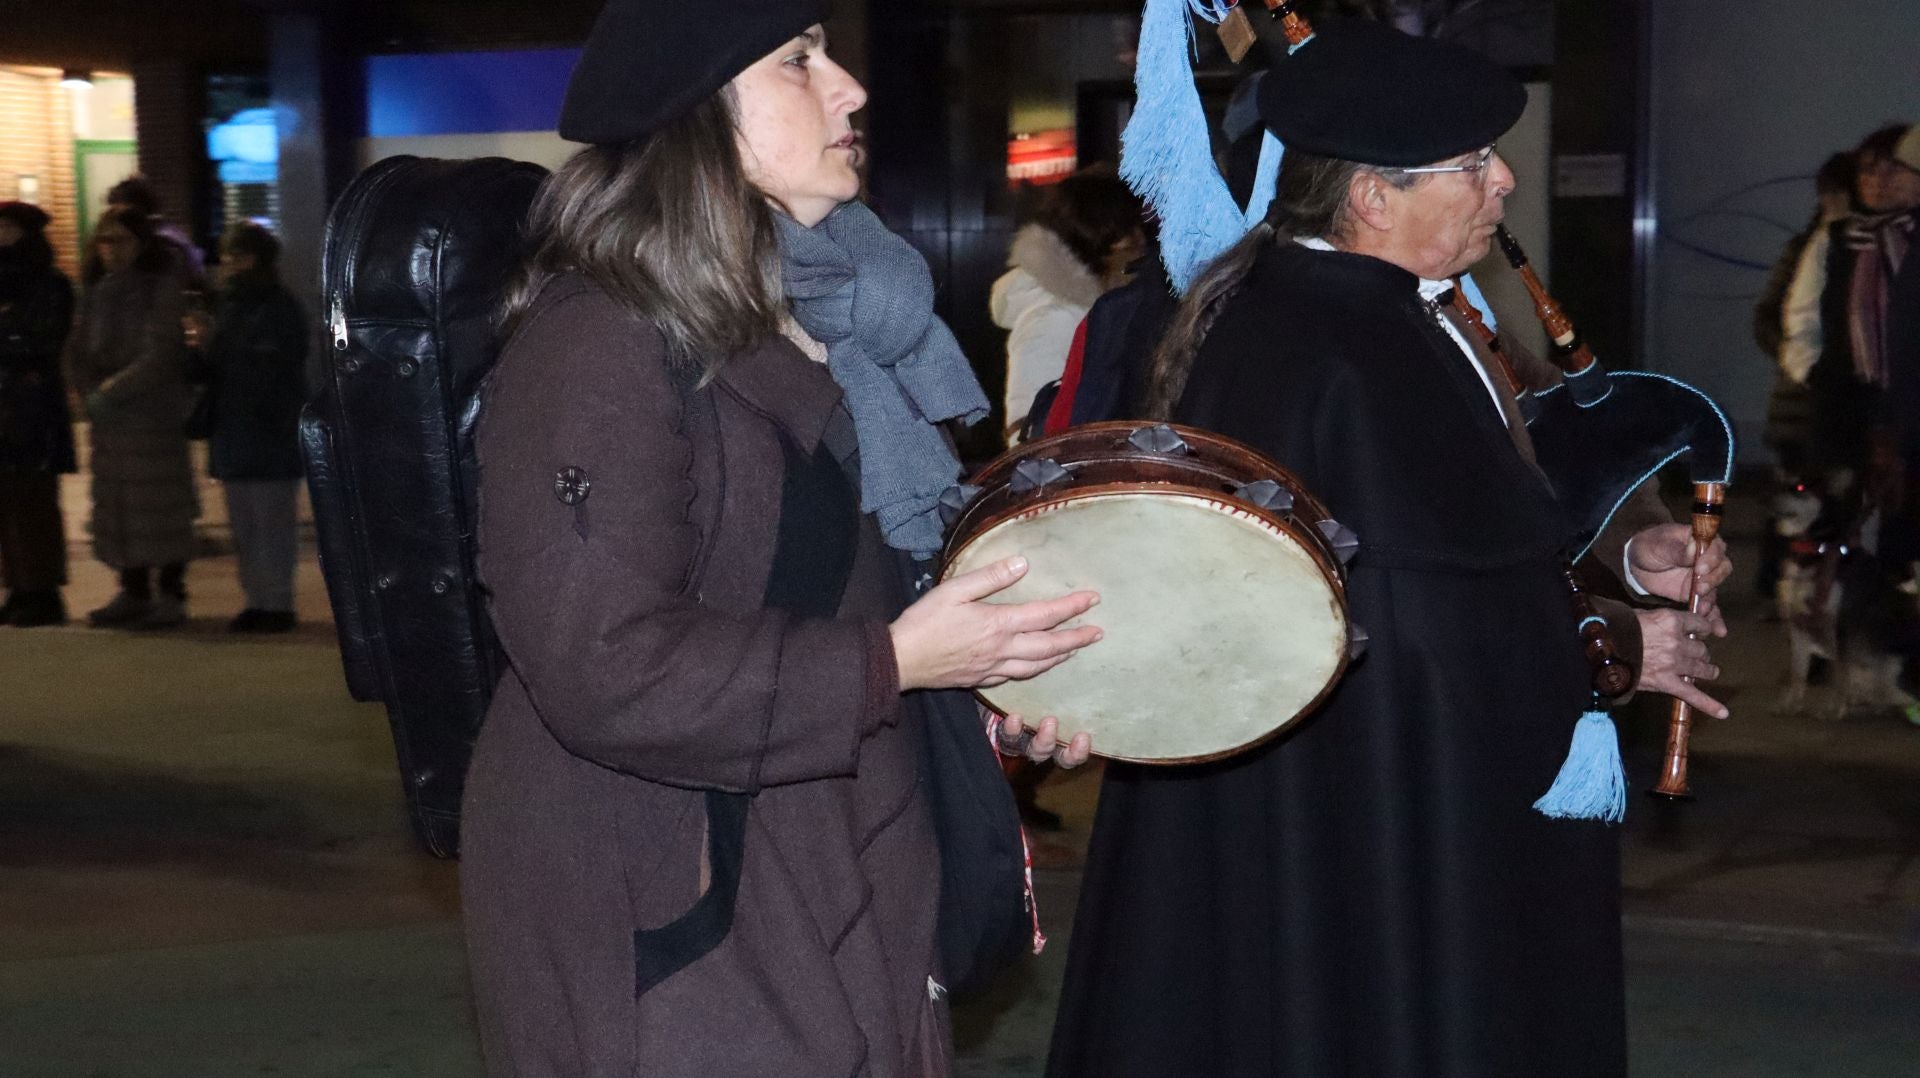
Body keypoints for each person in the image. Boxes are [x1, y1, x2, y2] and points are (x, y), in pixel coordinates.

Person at [1047, 21, 1731, 1078]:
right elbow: (1415, 618)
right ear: (1371, 196)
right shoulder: (1336, 344)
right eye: (1472, 163)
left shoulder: (1368, 316)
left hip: (1367, 803)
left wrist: (1628, 568)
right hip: (1363, 818)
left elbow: (1472, 535)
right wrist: (1613, 646)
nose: (1504, 181)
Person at [460, 3, 1100, 1074]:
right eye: (798, 62)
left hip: (825, 845)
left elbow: (845, 591)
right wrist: (895, 662)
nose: (849, 89)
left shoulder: (830, 320)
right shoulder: (598, 342)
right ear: (693, 116)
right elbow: (603, 664)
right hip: (671, 890)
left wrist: (980, 689)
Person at [63, 207, 198, 629]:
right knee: (120, 507)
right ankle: (133, 588)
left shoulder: (159, 287)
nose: (111, 250)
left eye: (120, 240)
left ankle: (171, 592)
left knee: (160, 507)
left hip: (151, 418)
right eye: (105, 240)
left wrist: (111, 390)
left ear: (141, 244)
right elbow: (77, 346)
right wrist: (85, 385)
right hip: (111, 424)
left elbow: (161, 352)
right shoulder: (97, 290)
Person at [183, 222, 309, 633]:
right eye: (228, 256)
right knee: (245, 525)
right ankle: (256, 600)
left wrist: (216, 346)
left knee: (272, 522)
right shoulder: (227, 304)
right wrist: (199, 346)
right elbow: (212, 367)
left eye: (239, 255)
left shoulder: (278, 306)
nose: (230, 264)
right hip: (235, 427)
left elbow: (274, 365)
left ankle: (277, 602)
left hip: (269, 427)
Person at [1782, 124, 1920, 476]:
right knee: (1842, 493)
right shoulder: (1835, 239)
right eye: (1867, 170)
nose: (1878, 181)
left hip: (1911, 397)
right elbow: (1802, 314)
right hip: (1846, 399)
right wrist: (1813, 372)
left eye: (1893, 170)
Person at [991, 167, 1146, 437]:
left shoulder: (1092, 308)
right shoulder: (1053, 318)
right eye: (1136, 231)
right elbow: (1028, 435)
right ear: (1114, 239)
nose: (1143, 242)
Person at [0, 201, 77, 627]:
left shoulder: (49, 283)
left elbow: (41, 340)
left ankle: (43, 589)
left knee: (34, 499)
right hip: (6, 401)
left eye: (7, 227)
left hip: (32, 406)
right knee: (8, 499)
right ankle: (18, 585)